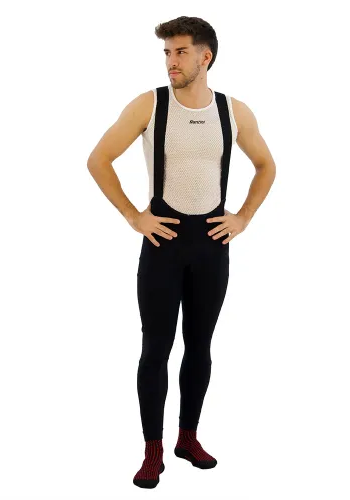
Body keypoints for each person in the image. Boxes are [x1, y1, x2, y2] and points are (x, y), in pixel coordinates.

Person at [87, 16, 276, 489]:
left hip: (212, 247)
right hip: (162, 247)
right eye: (167, 53)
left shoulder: (234, 111)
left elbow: (266, 165)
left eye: (180, 52)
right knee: (155, 349)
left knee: (200, 346)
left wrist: (243, 217)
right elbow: (98, 159)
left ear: (205, 57)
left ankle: (188, 438)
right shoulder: (149, 104)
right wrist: (133, 215)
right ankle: (152, 451)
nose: (171, 61)